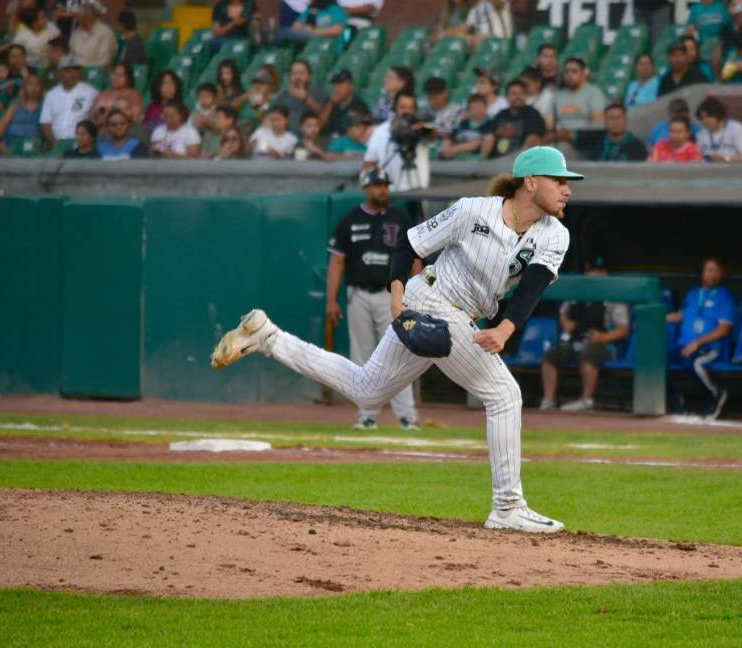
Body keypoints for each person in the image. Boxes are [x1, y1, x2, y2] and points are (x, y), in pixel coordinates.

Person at [211, 146, 584, 533]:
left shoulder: (555, 235)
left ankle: (268, 338)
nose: (567, 189)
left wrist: (505, 329)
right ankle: (508, 506)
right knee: (504, 395)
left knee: (367, 391)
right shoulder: (474, 210)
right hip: (432, 298)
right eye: (559, 180)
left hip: (461, 314)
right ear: (530, 182)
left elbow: (534, 285)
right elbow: (408, 244)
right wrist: (396, 296)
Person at [325, 168, 422, 430]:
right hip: (358, 293)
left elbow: (416, 261)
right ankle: (367, 415)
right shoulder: (350, 220)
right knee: (362, 356)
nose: (382, 190)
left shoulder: (401, 220)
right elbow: (336, 262)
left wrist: (416, 294)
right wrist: (331, 301)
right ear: (365, 188)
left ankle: (407, 416)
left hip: (392, 296)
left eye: (385, 185)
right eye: (377, 185)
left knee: (400, 354)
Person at [539, 260, 629, 413]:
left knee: (588, 353)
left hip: (604, 346)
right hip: (575, 341)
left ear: (606, 274)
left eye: (599, 271)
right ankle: (549, 401)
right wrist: (566, 322)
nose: (594, 274)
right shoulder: (576, 292)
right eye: (591, 270)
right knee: (551, 355)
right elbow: (563, 312)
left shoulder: (614, 296)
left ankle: (587, 401)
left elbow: (623, 330)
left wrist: (603, 337)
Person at [666, 258, 735, 418]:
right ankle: (676, 400)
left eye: (716, 271)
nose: (713, 274)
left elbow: (723, 329)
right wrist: (653, 318)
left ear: (722, 274)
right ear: (702, 273)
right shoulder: (692, 294)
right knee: (656, 362)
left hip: (709, 347)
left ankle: (716, 394)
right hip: (684, 345)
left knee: (694, 363)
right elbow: (679, 316)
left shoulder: (725, 297)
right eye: (709, 270)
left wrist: (697, 343)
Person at [363, 90, 431, 192]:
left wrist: (421, 128)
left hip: (419, 191)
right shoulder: (381, 131)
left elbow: (433, 135)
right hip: (390, 192)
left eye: (410, 108)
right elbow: (369, 162)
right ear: (395, 108)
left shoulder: (421, 128)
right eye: (402, 107)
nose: (406, 112)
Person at [40, 55, 97, 145]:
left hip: (80, 145)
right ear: (59, 73)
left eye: (75, 70)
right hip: (56, 144)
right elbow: (45, 123)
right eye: (67, 70)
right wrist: (56, 145)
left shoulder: (91, 92)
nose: (72, 74)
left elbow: (95, 120)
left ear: (80, 72)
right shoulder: (51, 95)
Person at [481, 79, 545, 159]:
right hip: (496, 159)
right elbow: (490, 135)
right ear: (507, 97)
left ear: (526, 95)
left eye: (521, 93)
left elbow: (533, 139)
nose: (518, 97)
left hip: (518, 159)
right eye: (514, 93)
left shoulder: (532, 114)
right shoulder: (501, 114)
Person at [570, 103, 647, 162]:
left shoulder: (637, 146)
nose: (615, 122)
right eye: (611, 118)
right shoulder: (596, 137)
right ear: (605, 121)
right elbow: (569, 135)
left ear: (626, 120)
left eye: (619, 117)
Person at [273, 59, 325, 135]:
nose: (297, 77)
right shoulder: (283, 94)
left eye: (301, 73)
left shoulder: (318, 92)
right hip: (284, 137)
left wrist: (305, 98)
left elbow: (322, 113)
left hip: (307, 138)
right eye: (294, 73)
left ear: (309, 76)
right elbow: (271, 116)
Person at [0, 72, 44, 151]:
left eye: (37, 84)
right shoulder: (15, 105)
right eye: (30, 84)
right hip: (10, 148)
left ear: (41, 88)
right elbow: (3, 124)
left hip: (34, 149)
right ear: (24, 88)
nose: (33, 87)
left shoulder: (45, 107)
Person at [553, 57, 605, 131]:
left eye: (574, 71)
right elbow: (550, 124)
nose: (569, 75)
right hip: (560, 138)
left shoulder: (594, 93)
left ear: (584, 73)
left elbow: (598, 123)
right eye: (566, 72)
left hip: (585, 138)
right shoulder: (558, 96)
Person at [695, 97, 742, 163]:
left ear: (718, 115)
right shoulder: (702, 133)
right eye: (702, 118)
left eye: (708, 117)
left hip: (733, 170)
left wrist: (725, 159)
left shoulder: (736, 129)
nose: (705, 121)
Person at [90, 63, 143, 127]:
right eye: (114, 74)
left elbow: (135, 118)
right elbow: (91, 115)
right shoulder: (102, 94)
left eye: (120, 75)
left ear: (129, 79)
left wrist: (107, 118)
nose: (115, 78)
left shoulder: (133, 95)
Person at [319, 68, 369, 136]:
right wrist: (330, 105)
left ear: (351, 86)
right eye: (335, 84)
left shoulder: (360, 106)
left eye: (341, 84)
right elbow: (318, 126)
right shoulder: (329, 102)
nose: (337, 88)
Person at [440, 93, 489, 160]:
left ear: (486, 107)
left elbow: (479, 143)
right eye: (473, 108)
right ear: (469, 110)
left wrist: (454, 149)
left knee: (477, 142)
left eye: (479, 107)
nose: (477, 110)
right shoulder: (463, 122)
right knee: (446, 141)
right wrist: (447, 147)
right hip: (456, 154)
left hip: (473, 156)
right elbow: (450, 137)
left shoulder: (489, 122)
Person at [278, 0, 347, 45]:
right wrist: (304, 29)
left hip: (326, 42)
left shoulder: (336, 9)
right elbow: (296, 26)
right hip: (307, 39)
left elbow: (337, 30)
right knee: (282, 32)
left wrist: (313, 31)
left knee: (282, 33)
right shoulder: (311, 8)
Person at [69, 0, 115, 67]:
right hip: (73, 72)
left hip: (93, 74)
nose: (77, 18)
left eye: (79, 15)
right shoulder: (77, 32)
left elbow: (104, 63)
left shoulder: (105, 33)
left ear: (89, 15)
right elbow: (71, 53)